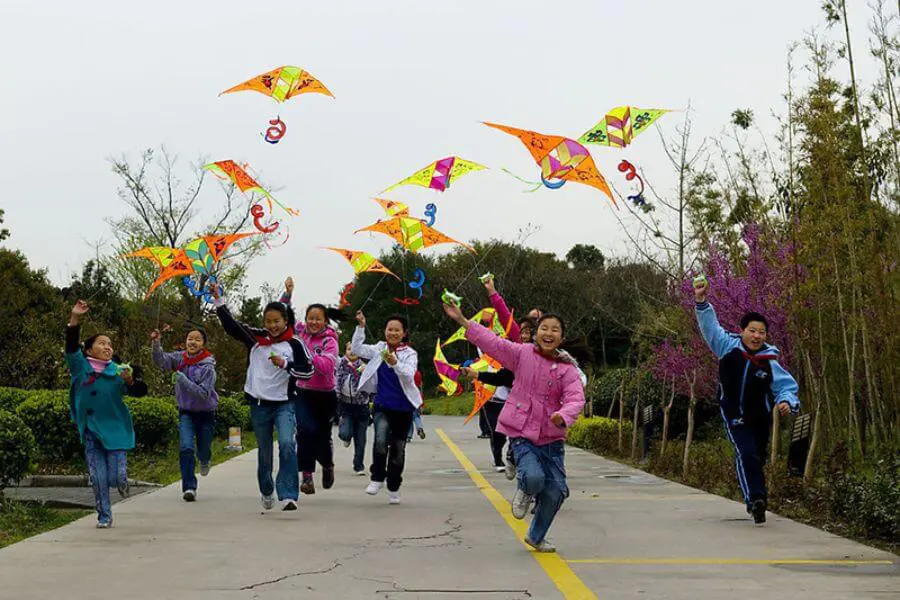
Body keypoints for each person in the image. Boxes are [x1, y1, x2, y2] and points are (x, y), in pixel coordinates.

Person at [443, 302, 585, 552]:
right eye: (544, 328)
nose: (548, 333)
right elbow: (494, 344)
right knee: (533, 477)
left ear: (561, 337)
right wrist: (464, 322)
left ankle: (536, 536)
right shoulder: (522, 354)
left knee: (557, 491)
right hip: (523, 434)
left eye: (555, 330)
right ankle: (524, 487)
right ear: (536, 332)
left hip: (552, 441)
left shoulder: (567, 369)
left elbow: (576, 397)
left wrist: (563, 415)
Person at [693, 277, 799, 525]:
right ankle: (756, 501)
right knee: (746, 454)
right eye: (752, 330)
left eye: (761, 332)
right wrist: (701, 300)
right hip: (734, 413)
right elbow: (710, 328)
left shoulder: (769, 359)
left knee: (756, 457)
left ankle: (756, 495)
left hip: (760, 418)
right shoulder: (727, 347)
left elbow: (786, 386)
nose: (757, 335)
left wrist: (786, 402)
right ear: (742, 331)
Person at [213, 285, 313, 511]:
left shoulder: (295, 344)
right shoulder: (256, 339)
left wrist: (285, 364)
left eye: (276, 321)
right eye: (268, 321)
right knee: (264, 450)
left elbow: (308, 371)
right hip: (259, 405)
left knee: (287, 444)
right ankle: (266, 489)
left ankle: (288, 494)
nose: (272, 325)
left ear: (285, 320)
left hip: (284, 404)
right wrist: (220, 301)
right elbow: (233, 327)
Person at [66, 300, 147, 528]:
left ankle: (122, 484)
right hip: (92, 429)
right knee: (98, 477)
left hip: (116, 430)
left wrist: (131, 381)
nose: (108, 347)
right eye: (102, 343)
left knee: (116, 477)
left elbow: (140, 391)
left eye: (110, 344)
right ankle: (104, 515)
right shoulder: (80, 367)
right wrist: (75, 318)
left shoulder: (119, 371)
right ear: (90, 350)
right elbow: (71, 346)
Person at [352, 311, 423, 505]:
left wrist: (395, 363)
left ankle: (393, 486)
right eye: (390, 329)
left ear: (404, 333)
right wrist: (360, 326)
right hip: (383, 406)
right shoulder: (379, 349)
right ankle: (376, 478)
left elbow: (409, 375)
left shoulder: (410, 354)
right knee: (380, 441)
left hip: (404, 409)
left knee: (398, 451)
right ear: (385, 331)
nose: (393, 333)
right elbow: (357, 348)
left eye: (397, 330)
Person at [281, 278, 341, 494]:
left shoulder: (330, 341)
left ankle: (327, 464)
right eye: (310, 318)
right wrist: (288, 294)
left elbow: (326, 366)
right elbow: (284, 318)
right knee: (305, 431)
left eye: (318, 319)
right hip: (303, 391)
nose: (313, 322)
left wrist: (307, 354)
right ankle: (306, 476)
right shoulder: (301, 333)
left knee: (322, 435)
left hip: (325, 395)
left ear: (325, 321)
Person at [150, 325, 218, 502]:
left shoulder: (208, 366)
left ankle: (205, 459)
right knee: (186, 447)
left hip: (206, 413)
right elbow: (160, 361)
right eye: (190, 338)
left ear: (203, 344)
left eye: (197, 339)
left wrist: (182, 379)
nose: (192, 342)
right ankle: (189, 487)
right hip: (185, 412)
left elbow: (203, 394)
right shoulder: (179, 358)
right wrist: (156, 343)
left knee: (203, 449)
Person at [336, 342, 371, 475]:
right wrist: (337, 396)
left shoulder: (365, 367)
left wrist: (363, 372)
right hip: (346, 406)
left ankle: (359, 466)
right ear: (345, 351)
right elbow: (337, 380)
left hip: (361, 407)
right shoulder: (341, 365)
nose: (352, 351)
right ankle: (346, 437)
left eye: (355, 349)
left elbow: (370, 386)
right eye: (349, 349)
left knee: (361, 439)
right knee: (345, 433)